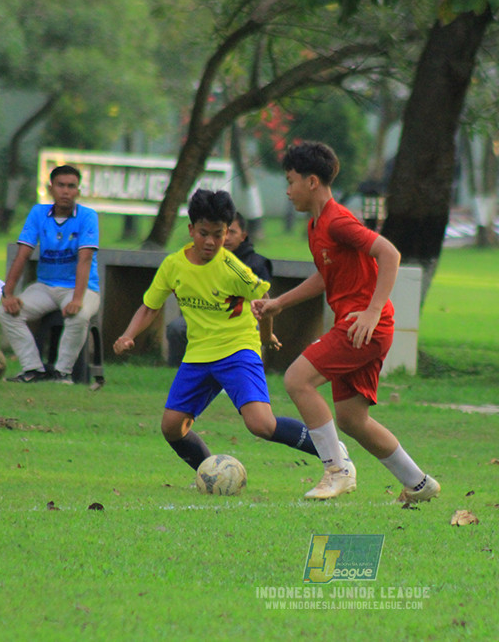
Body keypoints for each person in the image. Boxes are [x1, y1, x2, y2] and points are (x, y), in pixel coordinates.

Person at [252, 141, 440, 502]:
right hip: (359, 328)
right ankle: (419, 484)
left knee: (297, 379)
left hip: (364, 327)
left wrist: (372, 310)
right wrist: (280, 302)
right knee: (352, 419)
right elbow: (326, 277)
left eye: (290, 181)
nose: (287, 190)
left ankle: (337, 470)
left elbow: (389, 253)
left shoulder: (338, 221)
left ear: (311, 181)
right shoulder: (316, 227)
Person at [113, 188, 339, 475]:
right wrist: (128, 335)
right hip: (198, 355)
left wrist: (265, 336)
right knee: (172, 427)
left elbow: (265, 303)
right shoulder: (173, 265)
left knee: (262, 424)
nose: (210, 242)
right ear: (191, 229)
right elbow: (149, 307)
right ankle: (210, 474)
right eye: (204, 233)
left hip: (237, 350)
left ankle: (332, 453)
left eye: (219, 234)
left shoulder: (234, 269)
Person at [0, 165, 100, 384]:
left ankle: (61, 373)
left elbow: (85, 259)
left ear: (78, 191)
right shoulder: (38, 213)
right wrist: (8, 293)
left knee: (79, 315)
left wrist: (77, 299)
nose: (66, 191)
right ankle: (33, 369)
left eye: (71, 186)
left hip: (81, 288)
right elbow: (22, 255)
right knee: (7, 313)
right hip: (45, 286)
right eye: (61, 185)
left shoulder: (88, 216)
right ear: (50, 188)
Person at [165, 211, 275, 366]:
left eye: (232, 232)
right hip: (204, 315)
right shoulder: (201, 259)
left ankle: (246, 371)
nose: (226, 238)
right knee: (177, 328)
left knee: (252, 330)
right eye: (222, 233)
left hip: (241, 319)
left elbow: (262, 300)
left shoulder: (256, 264)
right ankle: (179, 371)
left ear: (243, 236)